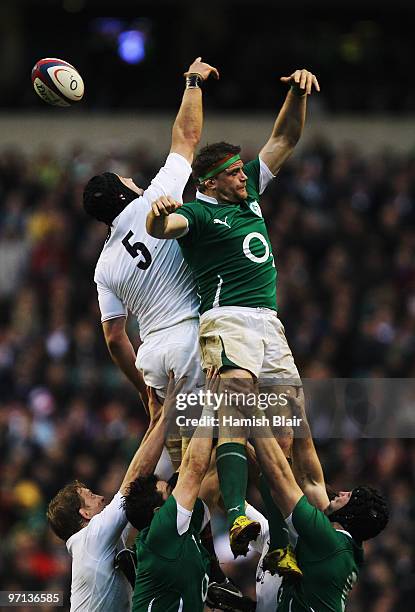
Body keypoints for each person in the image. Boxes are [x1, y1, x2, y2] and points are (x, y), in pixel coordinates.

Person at [146, 69, 320, 558]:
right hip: (225, 319)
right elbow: (164, 226)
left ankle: (283, 545)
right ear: (212, 182)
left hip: (270, 324)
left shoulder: (248, 197)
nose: (246, 176)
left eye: (245, 171)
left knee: (283, 436)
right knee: (236, 401)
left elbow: (285, 136)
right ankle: (239, 510)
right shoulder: (200, 214)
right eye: (236, 173)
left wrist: (295, 91)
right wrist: (157, 212)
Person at [82, 57, 218, 454]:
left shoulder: (104, 265)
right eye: (127, 179)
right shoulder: (155, 201)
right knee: (222, 452)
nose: (134, 180)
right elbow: (187, 137)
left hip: (154, 357)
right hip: (191, 337)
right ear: (124, 192)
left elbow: (114, 337)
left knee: (182, 465)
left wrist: (145, 390)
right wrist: (193, 81)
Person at [46, 376, 180, 612]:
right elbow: (133, 481)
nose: (101, 498)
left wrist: (155, 423)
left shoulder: (98, 541)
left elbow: (134, 484)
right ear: (84, 513)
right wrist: (168, 413)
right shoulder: (92, 538)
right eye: (91, 496)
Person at [248, 391, 389, 611]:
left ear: (351, 514)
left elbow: (279, 477)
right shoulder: (346, 545)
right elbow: (310, 479)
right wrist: (299, 415)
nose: (341, 493)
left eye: (348, 496)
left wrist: (251, 411)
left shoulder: (326, 541)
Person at [123, 368, 219, 612]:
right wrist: (208, 406)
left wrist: (162, 418)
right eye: (169, 491)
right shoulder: (163, 530)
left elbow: (200, 473)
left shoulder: (171, 532)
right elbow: (194, 468)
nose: (175, 490)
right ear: (158, 511)